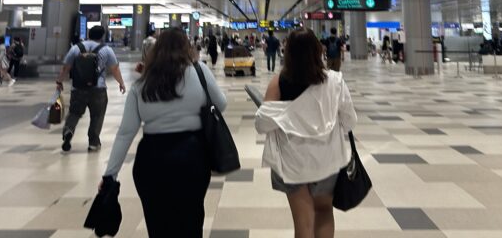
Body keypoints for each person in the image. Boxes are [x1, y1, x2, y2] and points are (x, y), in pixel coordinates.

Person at [101, 28, 227, 237]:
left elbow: (126, 133)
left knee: (157, 222)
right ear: (186, 48)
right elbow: (221, 104)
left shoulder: (142, 83)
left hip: (151, 158)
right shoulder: (199, 71)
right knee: (191, 217)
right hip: (192, 156)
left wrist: (110, 175)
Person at [255, 29, 357, 238]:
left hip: (293, 163)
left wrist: (288, 117)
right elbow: (349, 121)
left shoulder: (279, 82)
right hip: (327, 159)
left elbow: (262, 123)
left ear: (288, 52)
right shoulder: (335, 81)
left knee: (303, 221)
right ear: (318, 50)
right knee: (324, 211)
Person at [57, 25, 125, 153]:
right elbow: (114, 69)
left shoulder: (76, 48)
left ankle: (68, 130)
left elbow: (66, 67)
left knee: (75, 113)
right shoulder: (106, 50)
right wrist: (121, 83)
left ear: (89, 34)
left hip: (78, 88)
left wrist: (59, 81)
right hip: (98, 89)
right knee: (97, 116)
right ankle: (93, 143)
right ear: (102, 36)